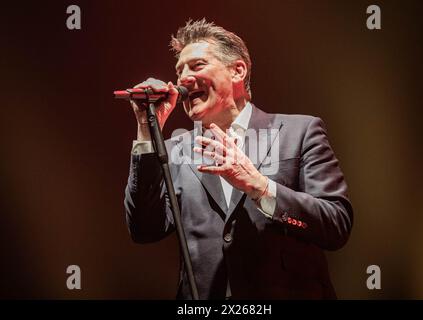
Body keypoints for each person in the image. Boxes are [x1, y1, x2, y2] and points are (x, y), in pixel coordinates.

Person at [124, 18, 353, 300]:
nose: (182, 79)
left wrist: (260, 186)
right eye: (179, 70)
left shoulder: (300, 132)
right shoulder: (172, 150)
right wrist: (147, 130)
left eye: (197, 66)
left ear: (238, 71)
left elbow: (336, 224)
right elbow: (144, 229)